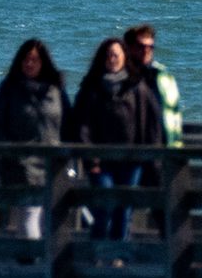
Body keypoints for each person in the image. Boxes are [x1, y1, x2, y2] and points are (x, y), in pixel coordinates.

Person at [68, 36, 160, 240]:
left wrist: (147, 156)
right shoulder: (91, 87)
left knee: (123, 212)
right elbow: (82, 126)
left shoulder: (137, 86)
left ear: (124, 57)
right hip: (100, 162)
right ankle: (98, 254)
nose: (112, 59)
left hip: (131, 161)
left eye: (116, 55)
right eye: (108, 55)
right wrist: (91, 160)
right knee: (104, 207)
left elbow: (150, 123)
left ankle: (119, 257)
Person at [0, 38, 67, 239]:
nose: (29, 64)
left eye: (35, 60)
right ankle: (30, 260)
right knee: (29, 213)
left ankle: (30, 259)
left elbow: (69, 121)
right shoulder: (9, 89)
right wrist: (8, 152)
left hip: (51, 162)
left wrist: (67, 151)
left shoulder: (54, 89)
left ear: (43, 62)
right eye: (26, 59)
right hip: (20, 162)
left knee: (46, 216)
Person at [124, 24, 183, 148]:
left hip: (164, 148)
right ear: (128, 47)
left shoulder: (164, 75)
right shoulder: (121, 76)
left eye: (150, 47)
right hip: (129, 152)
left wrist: (176, 147)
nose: (146, 50)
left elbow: (174, 112)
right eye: (141, 46)